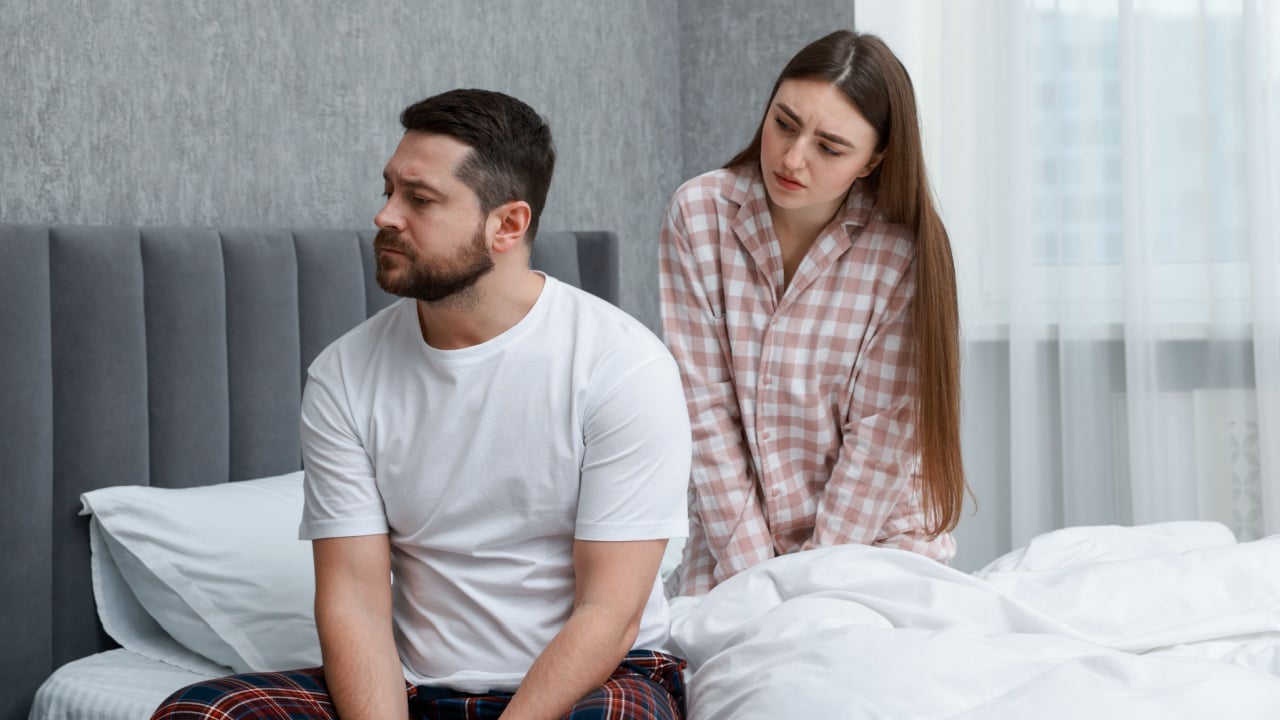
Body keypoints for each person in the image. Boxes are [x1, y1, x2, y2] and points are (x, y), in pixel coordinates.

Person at [152, 89, 692, 720]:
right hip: (411, 689)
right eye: (388, 191)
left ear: (508, 225)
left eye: (420, 199)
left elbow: (611, 609)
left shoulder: (621, 366)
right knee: (202, 713)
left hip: (587, 685)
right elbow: (354, 598)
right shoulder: (344, 374)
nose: (385, 216)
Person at [659, 30, 967, 597]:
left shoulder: (903, 253)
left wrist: (807, 595)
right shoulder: (699, 215)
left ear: (874, 159)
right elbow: (703, 412)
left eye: (829, 147)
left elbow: (879, 442)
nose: (792, 158)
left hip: (873, 541)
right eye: (784, 123)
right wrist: (758, 580)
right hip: (734, 546)